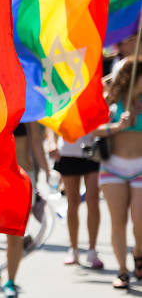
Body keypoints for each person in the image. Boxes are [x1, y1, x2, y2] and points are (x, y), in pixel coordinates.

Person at [0, 122, 49, 298]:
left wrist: (47, 169)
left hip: (19, 175)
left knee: (14, 233)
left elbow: (35, 139)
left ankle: (11, 280)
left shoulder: (26, 102)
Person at [91, 58, 142, 289]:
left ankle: (138, 253)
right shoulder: (111, 102)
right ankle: (122, 270)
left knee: (139, 221)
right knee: (117, 222)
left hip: (140, 167)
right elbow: (93, 129)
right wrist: (117, 126)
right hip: (112, 167)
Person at [45, 131, 104, 269]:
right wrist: (52, 143)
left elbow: (103, 118)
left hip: (92, 151)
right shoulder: (60, 107)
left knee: (93, 200)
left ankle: (92, 250)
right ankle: (74, 249)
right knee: (72, 203)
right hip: (67, 153)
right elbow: (51, 121)